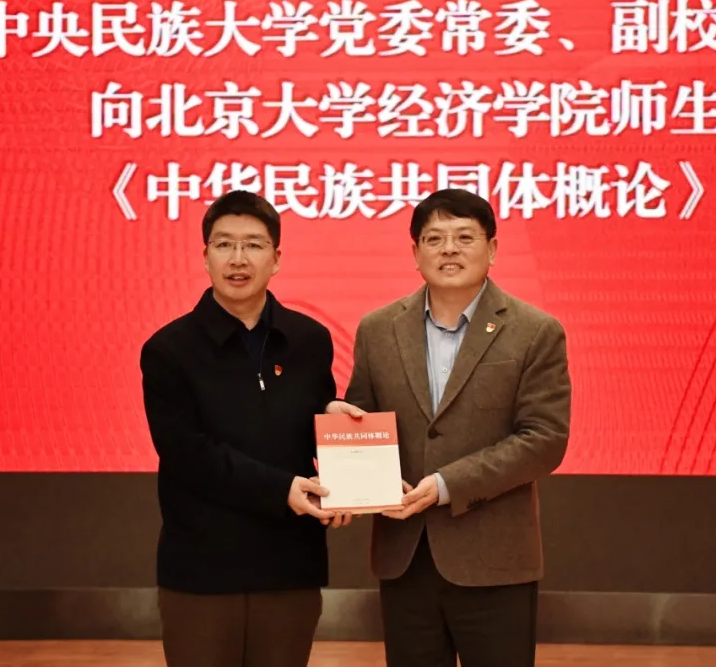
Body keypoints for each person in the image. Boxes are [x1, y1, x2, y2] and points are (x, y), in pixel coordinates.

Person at [339, 188, 572, 667]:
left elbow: (544, 440)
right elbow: (362, 417)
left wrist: (447, 484)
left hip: (494, 559)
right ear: (415, 252)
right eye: (434, 238)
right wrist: (346, 446)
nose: (449, 249)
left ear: (492, 248)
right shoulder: (378, 329)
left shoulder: (535, 331)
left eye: (465, 237)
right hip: (405, 556)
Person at [139, 190, 352, 667]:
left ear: (276, 258)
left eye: (254, 245)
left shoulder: (309, 340)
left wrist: (345, 471)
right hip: (203, 570)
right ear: (206, 257)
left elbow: (311, 429)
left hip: (290, 566)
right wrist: (282, 489)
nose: (238, 258)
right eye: (224, 244)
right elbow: (188, 454)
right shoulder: (169, 349)